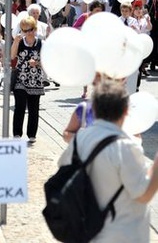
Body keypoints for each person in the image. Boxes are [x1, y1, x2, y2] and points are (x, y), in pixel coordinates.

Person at [57, 80, 158, 242]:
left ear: (94, 109)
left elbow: (63, 167)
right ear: (126, 111)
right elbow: (143, 195)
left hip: (87, 229)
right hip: (121, 233)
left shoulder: (81, 137)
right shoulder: (126, 146)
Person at [11, 16, 45, 143]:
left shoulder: (41, 43)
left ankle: (32, 134)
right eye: (25, 30)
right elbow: (12, 56)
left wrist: (36, 63)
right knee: (19, 106)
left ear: (35, 29)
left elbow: (47, 61)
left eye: (30, 29)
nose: (28, 33)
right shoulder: (20, 42)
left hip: (35, 80)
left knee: (33, 108)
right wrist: (15, 41)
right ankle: (17, 133)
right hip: (21, 78)